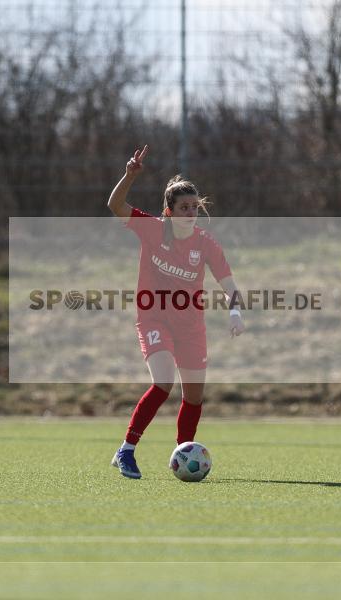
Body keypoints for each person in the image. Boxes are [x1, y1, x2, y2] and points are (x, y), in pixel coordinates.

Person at [107, 145, 245, 479]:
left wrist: (235, 313)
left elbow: (229, 283)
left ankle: (183, 453)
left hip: (191, 326)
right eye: (184, 207)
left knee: (194, 396)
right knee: (163, 382)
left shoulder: (206, 243)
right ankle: (126, 450)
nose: (190, 213)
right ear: (169, 211)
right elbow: (115, 205)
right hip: (154, 317)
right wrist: (129, 176)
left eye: (194, 207)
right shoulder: (153, 228)